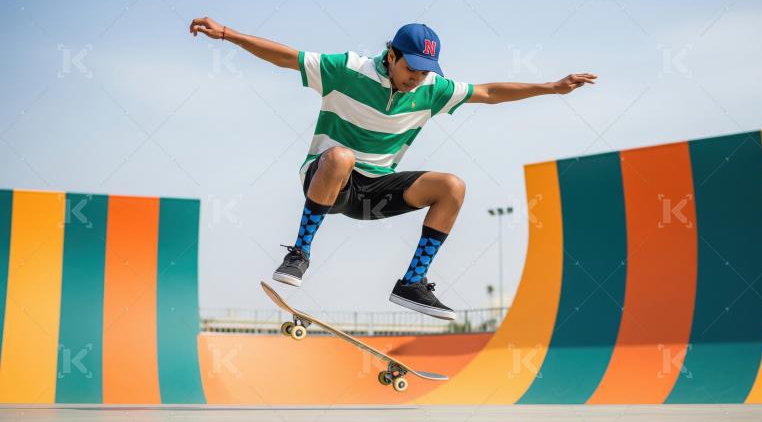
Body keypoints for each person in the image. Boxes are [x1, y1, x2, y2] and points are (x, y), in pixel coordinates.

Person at [190, 17, 596, 320]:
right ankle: (300, 253)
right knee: (342, 155)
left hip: (376, 193)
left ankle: (412, 283)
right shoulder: (345, 69)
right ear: (391, 56)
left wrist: (550, 87)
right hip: (330, 181)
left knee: (452, 186)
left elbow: (489, 93)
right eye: (410, 70)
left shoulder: (431, 89)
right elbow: (285, 57)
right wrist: (228, 35)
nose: (416, 80)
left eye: (423, 73)